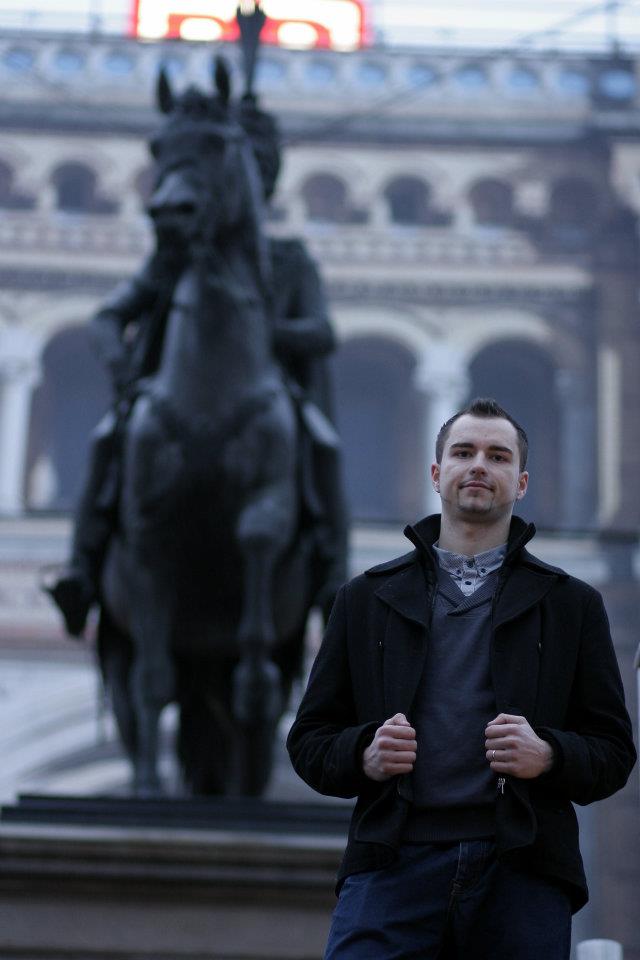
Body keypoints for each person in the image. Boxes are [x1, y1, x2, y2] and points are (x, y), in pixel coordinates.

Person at [287, 397, 636, 960]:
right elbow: (309, 741)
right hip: (392, 863)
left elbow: (614, 753)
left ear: (520, 483)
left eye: (498, 456)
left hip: (523, 870)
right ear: (437, 473)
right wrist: (365, 754)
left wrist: (547, 755)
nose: (479, 465)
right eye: (463, 452)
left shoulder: (572, 604)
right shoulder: (365, 598)